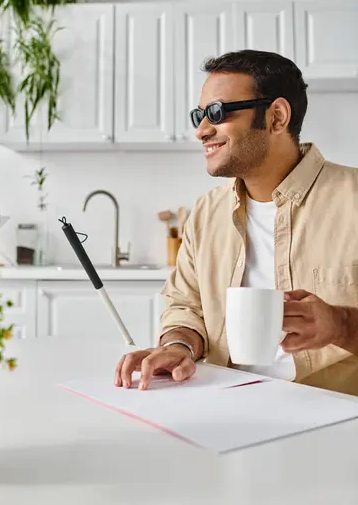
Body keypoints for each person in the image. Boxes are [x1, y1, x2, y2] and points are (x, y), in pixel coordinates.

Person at [114, 49, 358, 395]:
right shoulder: (205, 213)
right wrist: (178, 346)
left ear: (276, 117)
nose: (201, 130)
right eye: (199, 115)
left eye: (216, 112)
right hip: (226, 408)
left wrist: (342, 325)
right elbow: (186, 306)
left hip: (337, 419)